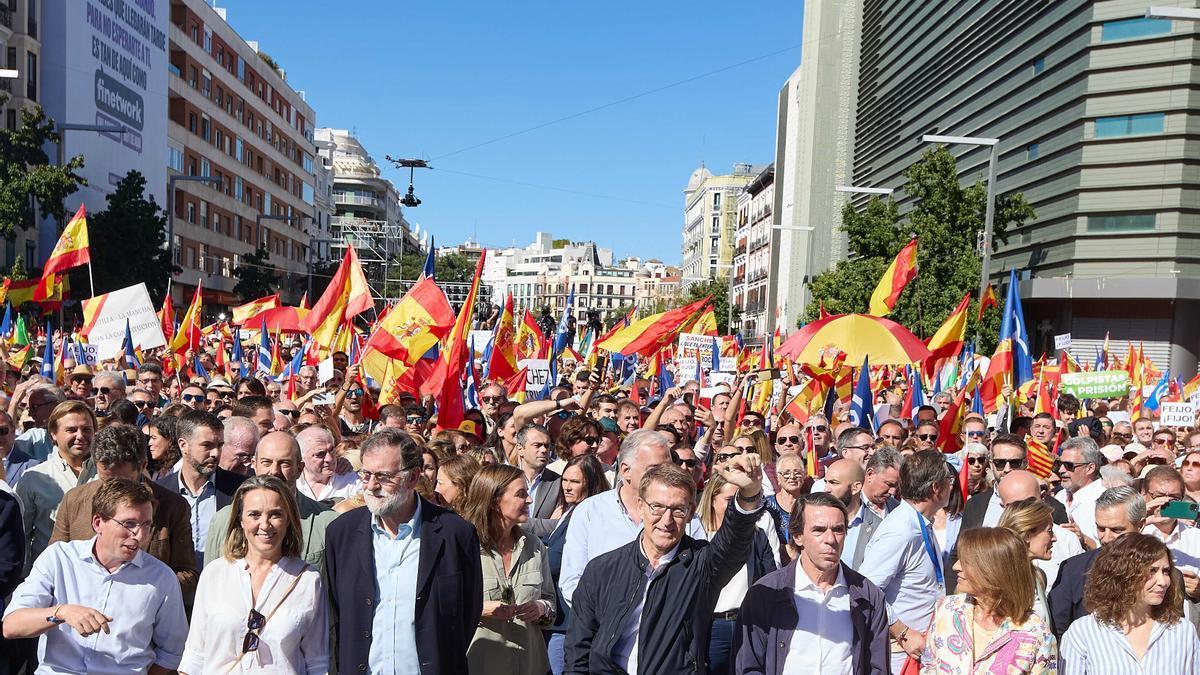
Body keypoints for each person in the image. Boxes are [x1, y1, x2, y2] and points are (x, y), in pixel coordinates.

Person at [565, 457, 764, 674]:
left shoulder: (702, 565)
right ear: (641, 507)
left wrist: (748, 494)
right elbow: (578, 648)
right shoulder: (602, 570)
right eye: (657, 507)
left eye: (678, 510)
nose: (666, 520)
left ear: (690, 513)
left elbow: (733, 541)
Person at [324, 428, 483, 674]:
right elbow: (335, 617)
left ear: (413, 477)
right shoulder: (341, 534)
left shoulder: (455, 534)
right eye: (366, 475)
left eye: (384, 477)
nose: (372, 486)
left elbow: (467, 613)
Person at [2, 478, 189, 673]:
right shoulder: (60, 559)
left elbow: (172, 652)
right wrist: (61, 613)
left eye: (146, 525)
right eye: (129, 524)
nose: (139, 536)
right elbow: (12, 626)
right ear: (98, 523)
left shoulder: (161, 578)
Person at [179, 475, 327, 674]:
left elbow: (317, 663)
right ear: (240, 519)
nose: (265, 525)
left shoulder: (307, 580)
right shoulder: (215, 574)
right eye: (254, 515)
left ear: (288, 520)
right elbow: (194, 657)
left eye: (275, 514)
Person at [734, 492, 890, 674]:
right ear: (798, 536)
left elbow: (878, 667)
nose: (831, 540)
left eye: (838, 530)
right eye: (819, 530)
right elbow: (748, 666)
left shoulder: (868, 596)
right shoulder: (766, 593)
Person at [49, 425, 198, 603]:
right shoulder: (74, 501)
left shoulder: (173, 506)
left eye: (123, 482)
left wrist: (137, 590)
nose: (114, 490)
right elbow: (54, 562)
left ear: (142, 465)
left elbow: (188, 575)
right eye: (106, 480)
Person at [559, 429, 706, 607]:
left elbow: (700, 573)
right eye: (654, 470)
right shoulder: (590, 512)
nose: (664, 476)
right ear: (626, 470)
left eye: (668, 468)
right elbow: (572, 581)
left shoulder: (683, 515)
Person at [859, 450, 955, 673]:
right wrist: (902, 631)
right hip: (899, 654)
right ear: (935, 488)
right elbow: (866, 588)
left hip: (920, 648)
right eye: (948, 480)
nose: (952, 486)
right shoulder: (901, 530)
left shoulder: (919, 523)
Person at [461, 464, 556, 674]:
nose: (529, 500)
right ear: (495, 500)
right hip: (480, 666)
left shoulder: (534, 546)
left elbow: (551, 601)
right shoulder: (464, 548)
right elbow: (443, 608)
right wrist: (480, 609)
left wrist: (541, 608)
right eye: (521, 494)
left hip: (531, 666)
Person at [922, 527, 1057, 673]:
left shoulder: (1036, 633)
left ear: (993, 569)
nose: (956, 567)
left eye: (966, 562)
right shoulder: (947, 609)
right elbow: (928, 666)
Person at [1060, 533, 1200, 673]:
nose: (1163, 582)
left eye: (1166, 571)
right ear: (1123, 573)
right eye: (1151, 571)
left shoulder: (1182, 631)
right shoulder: (1083, 633)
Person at [204, 431, 339, 570]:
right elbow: (211, 581)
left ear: (299, 469)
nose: (274, 471)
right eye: (266, 462)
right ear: (254, 465)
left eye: (284, 463)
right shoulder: (223, 520)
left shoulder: (327, 522)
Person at [699, 470, 781, 672]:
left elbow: (770, 577)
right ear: (712, 500)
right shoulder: (698, 538)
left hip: (748, 623)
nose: (735, 506)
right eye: (729, 499)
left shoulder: (757, 536)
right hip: (713, 627)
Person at [1048, 486, 1147, 641]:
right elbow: (1059, 631)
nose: (1106, 538)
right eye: (1101, 528)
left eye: (1117, 530)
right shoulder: (1073, 570)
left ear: (1141, 525)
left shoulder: (1160, 572)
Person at [544, 454, 610, 675]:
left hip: (573, 624)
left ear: (591, 483)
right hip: (558, 620)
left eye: (575, 482)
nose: (567, 487)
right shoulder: (567, 512)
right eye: (565, 480)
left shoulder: (594, 518)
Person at [156, 410, 247, 568]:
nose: (215, 453)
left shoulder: (240, 489)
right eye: (207, 445)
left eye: (219, 445)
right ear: (183, 445)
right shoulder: (159, 492)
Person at [15, 401, 96, 569]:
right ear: (53, 434)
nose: (80, 436)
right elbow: (21, 535)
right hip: (51, 576)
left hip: (98, 576)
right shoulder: (34, 478)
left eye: (86, 429)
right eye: (71, 430)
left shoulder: (108, 475)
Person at [998, 498, 1058, 626]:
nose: (1054, 538)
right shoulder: (995, 581)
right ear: (1026, 535)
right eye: (1049, 530)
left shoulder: (1038, 577)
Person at [845, 446, 903, 569]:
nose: (893, 491)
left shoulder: (898, 510)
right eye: (888, 484)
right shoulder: (848, 504)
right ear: (870, 474)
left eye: (896, 486)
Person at [1057, 437, 1107, 547]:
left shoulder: (1106, 500)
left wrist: (1083, 540)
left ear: (1090, 468)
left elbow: (1112, 549)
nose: (1061, 470)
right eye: (1059, 464)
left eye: (1068, 465)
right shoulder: (1060, 496)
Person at [515, 424, 562, 538]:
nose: (544, 450)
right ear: (520, 449)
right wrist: (543, 524)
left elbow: (561, 526)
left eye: (547, 446)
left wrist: (519, 523)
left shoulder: (559, 483)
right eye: (537, 445)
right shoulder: (505, 480)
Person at [295, 425, 362, 505]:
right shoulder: (292, 482)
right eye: (320, 454)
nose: (329, 459)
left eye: (331, 450)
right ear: (301, 456)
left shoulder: (351, 480)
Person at [763, 452, 808, 556]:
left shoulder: (809, 505)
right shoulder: (767, 505)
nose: (792, 477)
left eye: (797, 472)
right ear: (778, 477)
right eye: (786, 473)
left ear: (803, 475)